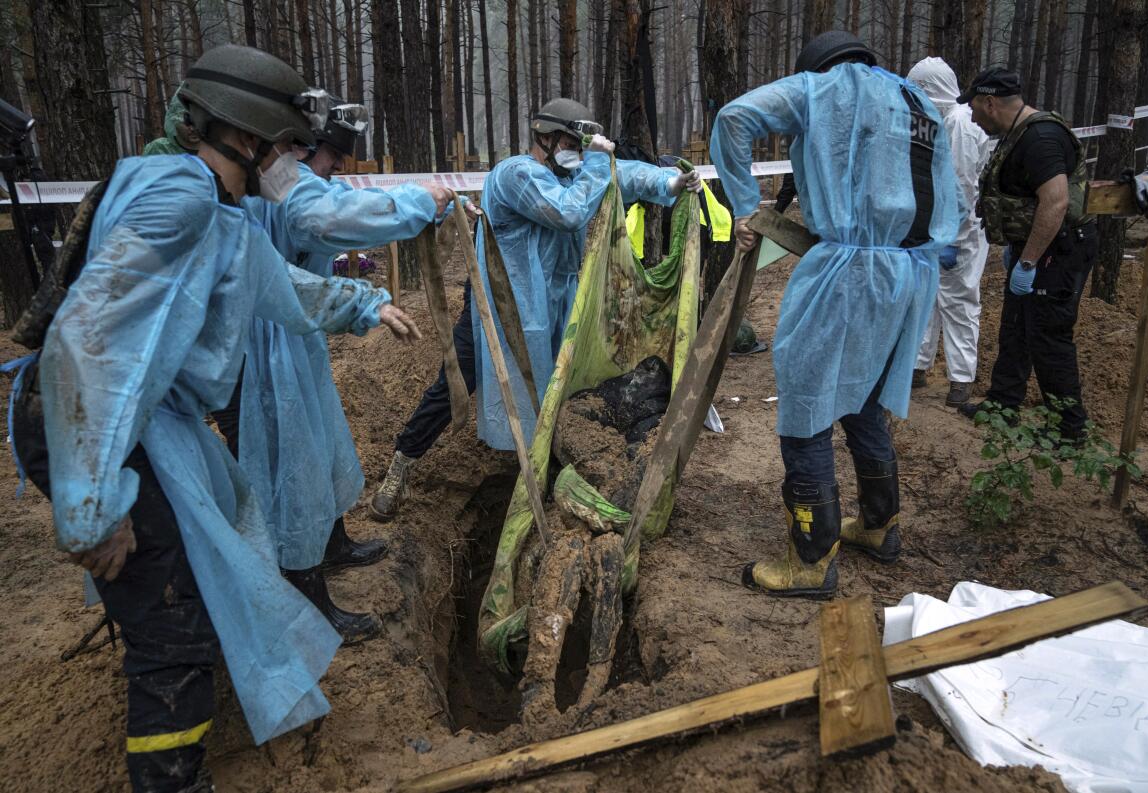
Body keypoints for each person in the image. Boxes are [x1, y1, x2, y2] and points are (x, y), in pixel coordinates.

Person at [7, 44, 422, 792]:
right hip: (99, 425)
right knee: (171, 629)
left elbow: (283, 287)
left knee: (193, 577)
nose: (294, 166)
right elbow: (89, 345)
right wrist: (95, 505)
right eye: (289, 149)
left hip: (122, 422)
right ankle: (172, 778)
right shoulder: (183, 199)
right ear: (253, 139)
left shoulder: (214, 210)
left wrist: (365, 304)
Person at [712, 30, 960, 598]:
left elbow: (733, 118)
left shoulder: (822, 88)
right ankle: (879, 526)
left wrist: (748, 208)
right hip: (907, 273)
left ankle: (811, 559)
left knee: (806, 400)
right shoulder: (916, 102)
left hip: (845, 272)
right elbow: (947, 197)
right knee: (865, 398)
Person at [370, 98, 701, 520]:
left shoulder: (574, 174)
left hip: (555, 304)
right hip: (499, 306)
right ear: (544, 137)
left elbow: (626, 177)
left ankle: (546, 467)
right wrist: (599, 163)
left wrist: (669, 183)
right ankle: (401, 464)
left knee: (559, 385)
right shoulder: (515, 174)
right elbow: (568, 212)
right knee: (456, 381)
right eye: (570, 142)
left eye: (581, 147)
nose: (577, 154)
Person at [218, 96, 459, 644]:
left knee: (321, 442)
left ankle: (331, 544)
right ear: (294, 149)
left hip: (296, 332)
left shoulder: (293, 184)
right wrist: (416, 203)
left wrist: (422, 211)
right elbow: (327, 220)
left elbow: (342, 212)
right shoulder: (277, 194)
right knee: (290, 461)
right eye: (325, 156)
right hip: (264, 347)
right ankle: (304, 591)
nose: (332, 169)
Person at [953, 67, 1097, 438]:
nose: (971, 116)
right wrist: (1020, 251)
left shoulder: (1041, 139)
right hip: (1035, 249)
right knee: (1015, 329)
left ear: (990, 102)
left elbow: (1056, 201)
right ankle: (1003, 406)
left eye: (974, 107)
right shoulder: (1017, 134)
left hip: (1057, 252)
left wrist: (1029, 260)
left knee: (1048, 336)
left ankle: (1068, 429)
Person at [906, 57, 993, 407]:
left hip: (963, 234)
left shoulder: (959, 123)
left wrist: (953, 240)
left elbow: (962, 187)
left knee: (959, 303)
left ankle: (960, 380)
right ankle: (918, 366)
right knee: (928, 300)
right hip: (940, 230)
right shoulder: (945, 121)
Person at [142, 89, 202, 155]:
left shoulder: (212, 151)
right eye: (186, 123)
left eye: (198, 122)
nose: (192, 129)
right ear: (174, 121)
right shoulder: (159, 150)